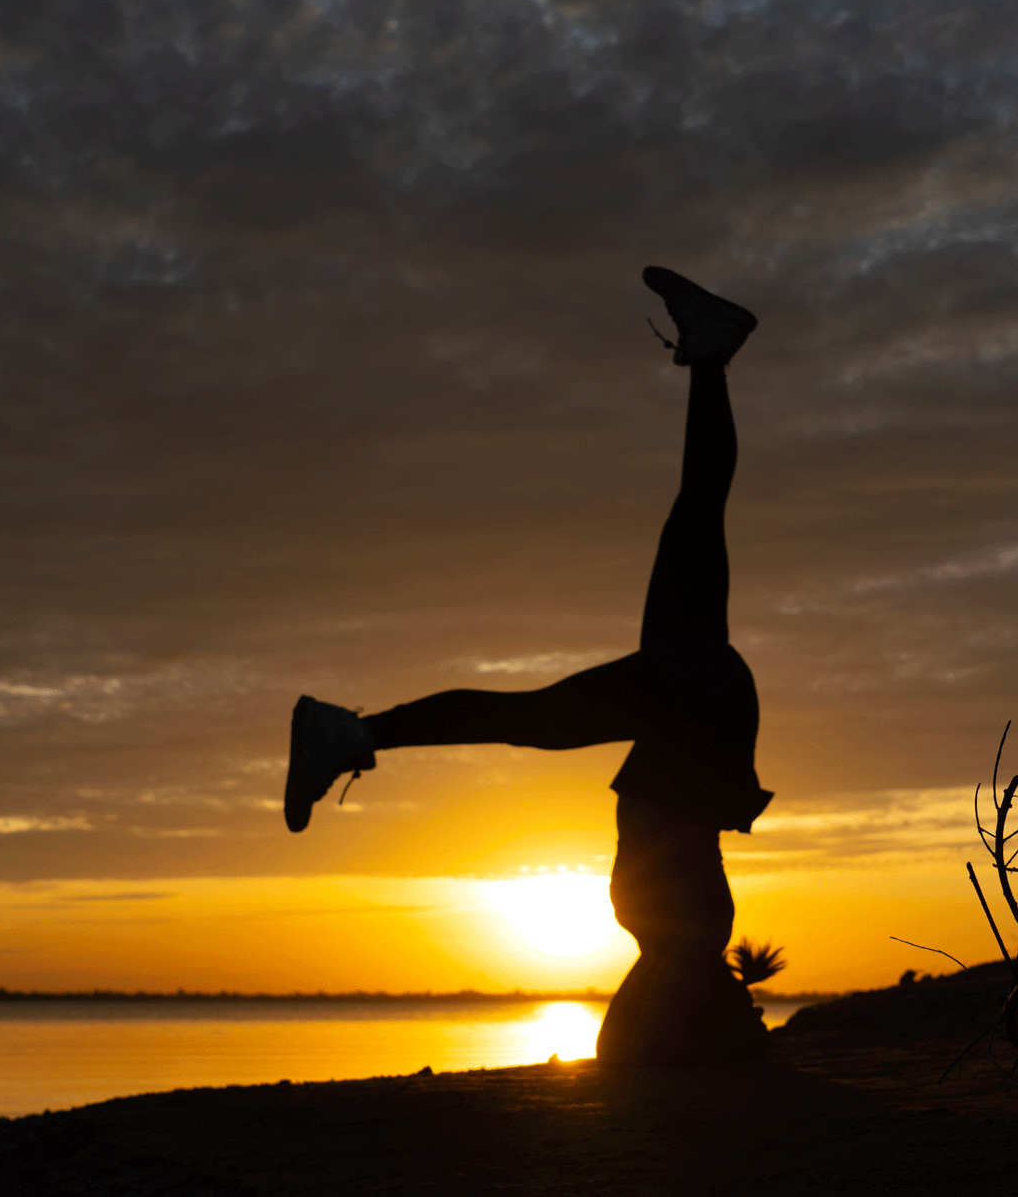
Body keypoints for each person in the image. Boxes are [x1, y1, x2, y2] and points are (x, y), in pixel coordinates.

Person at [282, 266, 774, 1064]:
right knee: (534, 719)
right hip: (696, 703)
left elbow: (624, 1046)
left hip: (703, 702)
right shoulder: (685, 945)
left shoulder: (678, 950)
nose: (754, 1014)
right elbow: (628, 1048)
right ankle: (350, 735)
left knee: (694, 515)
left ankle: (712, 356)